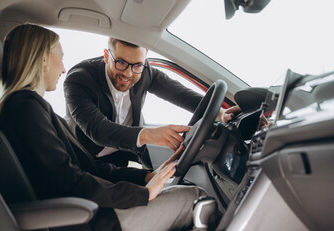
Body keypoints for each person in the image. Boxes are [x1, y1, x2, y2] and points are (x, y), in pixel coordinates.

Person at [0, 24, 207, 231]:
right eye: (61, 56)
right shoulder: (26, 107)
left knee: (175, 194)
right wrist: (143, 193)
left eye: (137, 66)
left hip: (92, 207)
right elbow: (70, 177)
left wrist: (146, 177)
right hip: (90, 221)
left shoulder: (29, 107)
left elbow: (90, 169)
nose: (63, 67)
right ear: (44, 59)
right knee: (197, 198)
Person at [64, 37, 237, 168]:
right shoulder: (79, 79)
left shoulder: (145, 72)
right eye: (121, 62)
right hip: (88, 157)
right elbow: (99, 130)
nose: (129, 74)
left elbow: (180, 94)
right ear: (106, 55)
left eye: (137, 65)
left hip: (129, 148)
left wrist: (220, 113)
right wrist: (149, 135)